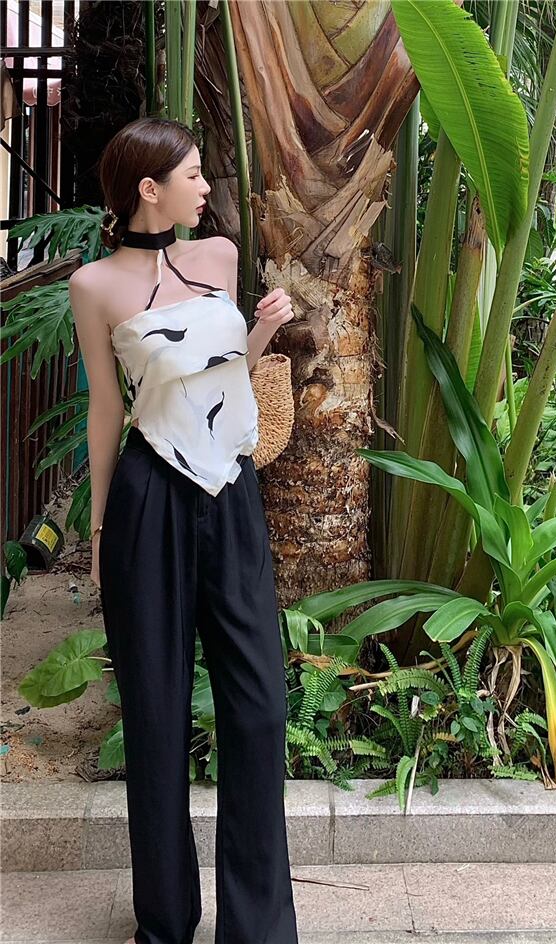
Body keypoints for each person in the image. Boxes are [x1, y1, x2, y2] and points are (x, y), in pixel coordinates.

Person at [69, 116, 299, 944]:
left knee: (260, 707)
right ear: (149, 189)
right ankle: (164, 924)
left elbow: (225, 373)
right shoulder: (94, 286)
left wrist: (262, 329)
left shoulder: (219, 258)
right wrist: (99, 531)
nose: (206, 187)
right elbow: (107, 410)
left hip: (230, 496)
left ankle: (257, 929)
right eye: (194, 175)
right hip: (148, 502)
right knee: (158, 716)